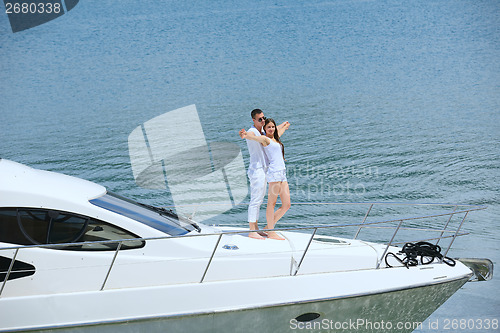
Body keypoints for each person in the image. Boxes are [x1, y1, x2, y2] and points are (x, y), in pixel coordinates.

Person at [239, 109, 290, 239]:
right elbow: (252, 136)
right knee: (257, 200)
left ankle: (258, 228)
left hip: (266, 170)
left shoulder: (264, 132)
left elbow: (272, 130)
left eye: (263, 118)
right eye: (260, 119)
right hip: (258, 170)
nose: (262, 120)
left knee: (261, 200)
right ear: (254, 120)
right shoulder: (255, 131)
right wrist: (244, 135)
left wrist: (283, 125)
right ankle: (253, 230)